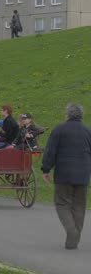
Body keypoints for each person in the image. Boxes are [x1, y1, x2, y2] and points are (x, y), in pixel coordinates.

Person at [41, 104, 91, 250]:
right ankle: (73, 241)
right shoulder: (87, 131)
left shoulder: (59, 129)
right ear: (81, 115)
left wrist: (46, 169)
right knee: (79, 206)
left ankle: (71, 231)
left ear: (67, 115)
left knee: (62, 203)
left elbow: (50, 151)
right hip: (83, 175)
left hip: (63, 174)